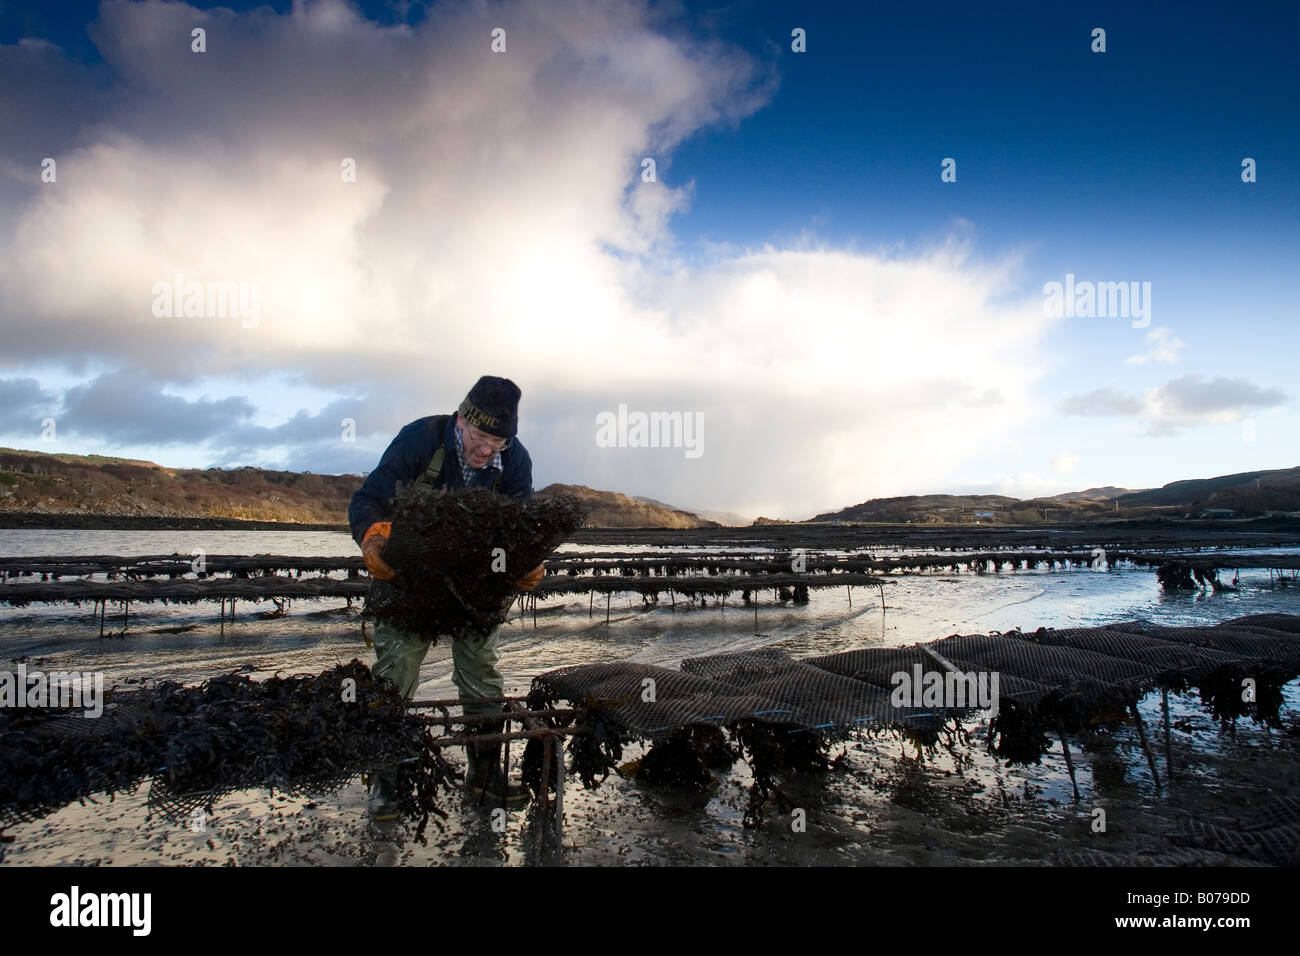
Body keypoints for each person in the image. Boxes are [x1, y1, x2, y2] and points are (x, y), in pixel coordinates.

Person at [349, 375, 543, 817]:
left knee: (482, 675)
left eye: (498, 441)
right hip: (409, 583)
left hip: (476, 590)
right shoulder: (421, 440)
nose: (487, 450)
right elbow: (368, 499)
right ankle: (386, 782)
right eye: (480, 437)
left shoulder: (516, 461)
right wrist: (373, 536)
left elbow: (522, 522)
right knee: (394, 673)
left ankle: (484, 777)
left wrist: (528, 558)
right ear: (461, 419)